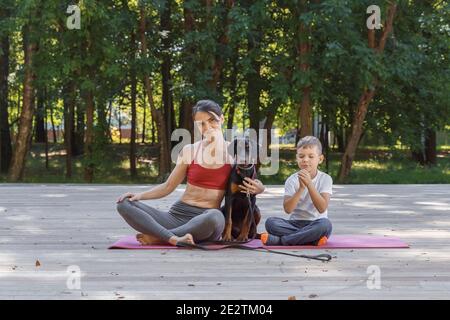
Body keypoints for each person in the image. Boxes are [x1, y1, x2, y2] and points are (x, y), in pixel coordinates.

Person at [116, 100, 265, 246]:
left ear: (222, 118)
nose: (207, 127)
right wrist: (139, 196)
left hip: (206, 219)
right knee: (124, 204)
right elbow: (168, 186)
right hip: (177, 215)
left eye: (212, 120)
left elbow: (250, 180)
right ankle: (173, 237)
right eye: (201, 123)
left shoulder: (234, 154)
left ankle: (160, 237)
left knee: (216, 217)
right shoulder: (190, 150)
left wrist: (260, 189)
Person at [261, 136, 332, 246]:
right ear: (297, 158)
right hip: (295, 223)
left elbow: (322, 208)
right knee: (271, 223)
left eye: (311, 156)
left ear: (320, 159)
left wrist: (309, 184)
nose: (305, 160)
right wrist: (301, 188)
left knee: (325, 225)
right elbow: (288, 209)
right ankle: (311, 239)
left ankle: (281, 241)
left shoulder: (326, 179)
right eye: (301, 156)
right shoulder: (291, 180)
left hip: (316, 223)